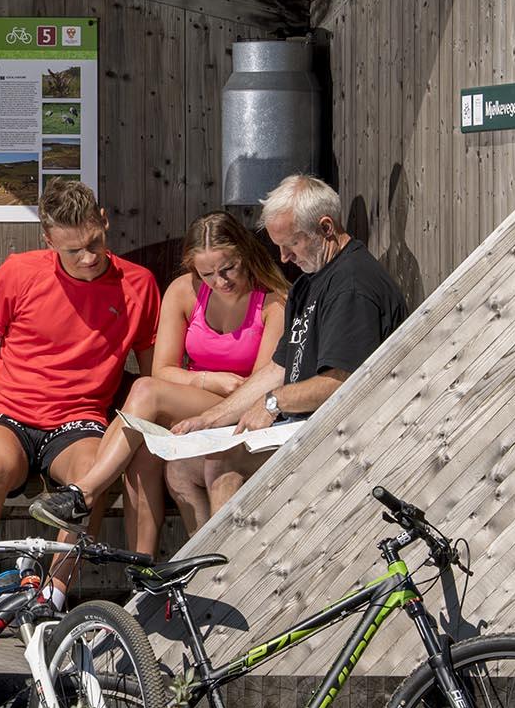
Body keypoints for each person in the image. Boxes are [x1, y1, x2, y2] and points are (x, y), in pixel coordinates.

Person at [0, 179, 161, 615]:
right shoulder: (18, 273)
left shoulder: (139, 285)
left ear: (104, 221)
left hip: (80, 418)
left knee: (91, 475)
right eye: (74, 251)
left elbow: (152, 376)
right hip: (8, 414)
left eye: (95, 243)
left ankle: (52, 595)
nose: (88, 258)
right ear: (48, 241)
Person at [26, 211, 287, 550]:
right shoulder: (183, 291)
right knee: (142, 453)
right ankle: (140, 568)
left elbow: (260, 383)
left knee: (145, 391)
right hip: (202, 397)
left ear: (245, 254)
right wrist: (210, 380)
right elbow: (163, 369)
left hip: (241, 408)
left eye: (229, 269)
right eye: (207, 273)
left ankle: (83, 493)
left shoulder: (273, 300)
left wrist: (214, 388)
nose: (220, 281)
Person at [166, 174, 409, 512]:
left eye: (291, 245)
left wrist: (272, 403)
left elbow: (342, 381)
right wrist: (210, 418)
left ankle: (230, 566)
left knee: (224, 464)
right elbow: (278, 368)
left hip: (340, 435)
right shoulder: (309, 282)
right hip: (296, 429)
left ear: (326, 228)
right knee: (180, 467)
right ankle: (205, 564)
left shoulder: (352, 284)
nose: (283, 258)